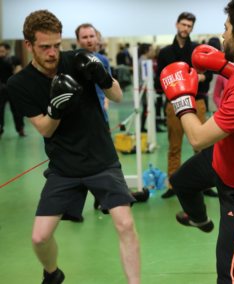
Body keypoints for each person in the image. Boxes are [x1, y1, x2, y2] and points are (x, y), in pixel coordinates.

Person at [7, 10, 140, 283]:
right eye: (45, 47)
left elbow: (115, 96)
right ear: (29, 45)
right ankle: (53, 273)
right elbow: (44, 128)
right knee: (39, 237)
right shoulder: (19, 83)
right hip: (63, 167)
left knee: (125, 224)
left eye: (57, 45)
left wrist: (103, 76)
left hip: (101, 159)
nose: (53, 52)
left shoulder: (78, 60)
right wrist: (56, 106)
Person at [160, 0, 234, 282]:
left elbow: (198, 138)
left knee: (228, 273)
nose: (222, 35)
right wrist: (222, 65)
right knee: (180, 182)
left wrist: (181, 98)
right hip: (220, 159)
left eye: (226, 29)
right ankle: (200, 219)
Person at [155, 12, 217, 199]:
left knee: (202, 145)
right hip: (173, 103)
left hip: (197, 101)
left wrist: (197, 77)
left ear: (192, 28)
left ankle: (205, 185)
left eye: (189, 26)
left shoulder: (197, 50)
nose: (185, 29)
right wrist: (173, 81)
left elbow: (209, 76)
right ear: (177, 25)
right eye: (183, 25)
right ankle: (173, 185)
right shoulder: (165, 52)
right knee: (174, 145)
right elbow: (158, 82)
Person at [76, 23, 112, 211]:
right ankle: (75, 204)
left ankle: (102, 198)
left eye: (91, 36)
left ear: (97, 39)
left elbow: (109, 86)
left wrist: (105, 101)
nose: (89, 40)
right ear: (78, 41)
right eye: (85, 37)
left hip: (100, 118)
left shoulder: (103, 61)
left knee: (103, 160)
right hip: (78, 121)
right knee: (81, 161)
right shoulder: (70, 62)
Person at [0, 42, 27, 139]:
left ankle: (21, 129)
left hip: (13, 89)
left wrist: (10, 65)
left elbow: (18, 72)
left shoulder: (15, 59)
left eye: (2, 51)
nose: (1, 54)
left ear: (8, 50)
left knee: (17, 110)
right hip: (2, 89)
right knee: (0, 110)